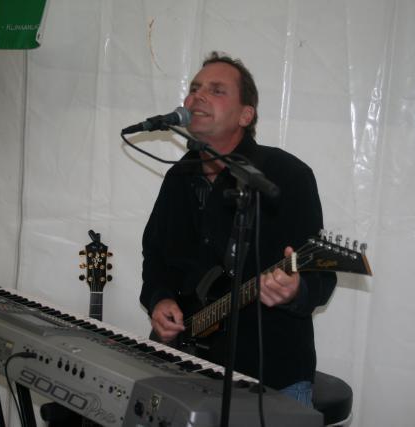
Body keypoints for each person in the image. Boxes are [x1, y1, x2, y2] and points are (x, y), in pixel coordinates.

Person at [139, 51, 337, 407]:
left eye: (216, 90)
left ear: (246, 115)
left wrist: (295, 291)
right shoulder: (178, 177)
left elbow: (322, 278)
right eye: (194, 88)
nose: (197, 96)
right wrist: (160, 298)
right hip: (184, 366)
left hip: (270, 378)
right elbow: (155, 256)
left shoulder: (287, 175)